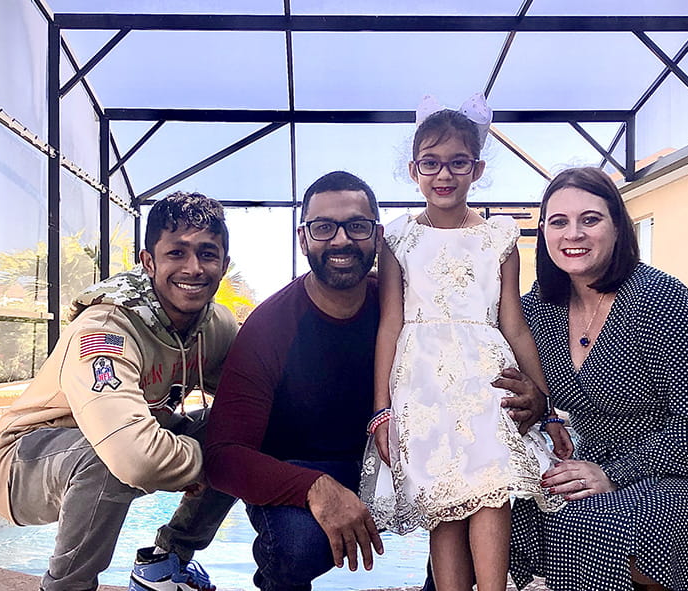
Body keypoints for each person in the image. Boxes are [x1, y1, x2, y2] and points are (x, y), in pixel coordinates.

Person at [203, 170, 547, 591]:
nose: (342, 240)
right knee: (295, 545)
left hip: (392, 457)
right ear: (303, 238)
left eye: (357, 226)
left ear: (378, 235)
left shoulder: (409, 311)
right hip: (303, 471)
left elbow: (488, 342)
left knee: (473, 487)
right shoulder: (270, 326)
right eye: (324, 227)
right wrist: (313, 487)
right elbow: (222, 455)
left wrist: (534, 395)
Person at [0, 191, 240, 591]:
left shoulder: (215, 324)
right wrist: (216, 463)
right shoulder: (106, 328)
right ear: (148, 261)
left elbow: (252, 399)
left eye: (207, 254)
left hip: (120, 446)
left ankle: (167, 561)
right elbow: (133, 458)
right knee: (107, 456)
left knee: (237, 428)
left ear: (223, 264)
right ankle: (67, 586)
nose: (193, 268)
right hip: (20, 465)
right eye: (176, 253)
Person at [361, 94, 572, 591]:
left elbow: (515, 324)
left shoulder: (498, 235)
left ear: (476, 168)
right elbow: (389, 323)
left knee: (492, 487)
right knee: (444, 500)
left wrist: (547, 407)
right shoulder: (397, 238)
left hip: (487, 379)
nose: (444, 175)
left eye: (457, 163)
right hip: (422, 386)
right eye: (431, 164)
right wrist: (381, 410)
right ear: (414, 169)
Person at [510, 167, 688, 591]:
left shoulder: (659, 297)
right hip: (591, 462)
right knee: (499, 510)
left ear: (618, 227)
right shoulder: (537, 310)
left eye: (590, 219)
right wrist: (540, 407)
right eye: (559, 221)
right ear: (544, 232)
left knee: (587, 526)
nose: (573, 234)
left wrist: (613, 475)